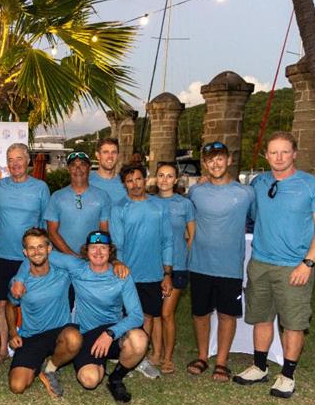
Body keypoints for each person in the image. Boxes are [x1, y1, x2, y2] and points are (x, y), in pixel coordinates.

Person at [233, 131, 315, 398]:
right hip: (260, 263)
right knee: (261, 318)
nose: (279, 157)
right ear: (266, 155)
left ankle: (287, 375)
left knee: (293, 323)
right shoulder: (259, 182)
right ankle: (259, 366)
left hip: (295, 266)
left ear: (294, 153)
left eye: (284, 152)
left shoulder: (314, 187)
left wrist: (307, 263)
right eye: (273, 152)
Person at [12, 231, 147, 403]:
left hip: (113, 332)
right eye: (93, 248)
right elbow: (37, 255)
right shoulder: (76, 267)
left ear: (110, 251)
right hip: (87, 334)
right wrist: (19, 278)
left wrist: (111, 333)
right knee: (89, 381)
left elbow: (136, 316)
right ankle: (98, 364)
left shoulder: (121, 275)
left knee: (139, 339)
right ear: (86, 250)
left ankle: (116, 378)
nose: (98, 252)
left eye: (103, 248)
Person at [185, 143, 254, 382]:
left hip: (229, 266)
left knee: (227, 314)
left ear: (229, 160)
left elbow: (257, 221)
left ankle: (222, 362)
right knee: (200, 313)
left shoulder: (245, 194)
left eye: (220, 159)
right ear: (204, 164)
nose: (215, 164)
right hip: (199, 264)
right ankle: (203, 356)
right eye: (210, 160)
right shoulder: (196, 192)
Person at [109, 163, 172, 380]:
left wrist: (167, 273)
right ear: (124, 184)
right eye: (129, 181)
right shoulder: (119, 208)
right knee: (127, 316)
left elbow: (167, 241)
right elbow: (117, 244)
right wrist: (120, 270)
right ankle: (128, 355)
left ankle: (142, 358)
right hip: (127, 275)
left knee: (148, 316)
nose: (134, 184)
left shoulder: (159, 206)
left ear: (145, 180)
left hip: (154, 274)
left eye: (138, 179)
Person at [0, 143, 50, 360]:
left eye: (19, 159)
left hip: (31, 257)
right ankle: (3, 349)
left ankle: (34, 345)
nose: (15, 163)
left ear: (28, 161)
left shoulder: (41, 187)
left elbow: (45, 222)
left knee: (31, 300)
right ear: (7, 164)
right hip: (2, 254)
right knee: (2, 303)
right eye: (10, 159)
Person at [6, 228, 82, 398]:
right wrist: (12, 332)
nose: (37, 252)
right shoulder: (19, 282)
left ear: (49, 249)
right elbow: (10, 306)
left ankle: (50, 368)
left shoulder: (63, 273)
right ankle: (37, 365)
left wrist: (116, 263)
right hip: (31, 336)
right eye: (31, 248)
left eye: (41, 247)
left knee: (74, 338)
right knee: (17, 386)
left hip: (59, 332)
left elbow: (92, 263)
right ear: (25, 252)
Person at [151, 161, 195, 375]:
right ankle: (156, 353)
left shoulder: (184, 204)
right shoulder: (149, 202)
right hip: (152, 266)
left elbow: (191, 235)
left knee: (167, 313)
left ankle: (168, 358)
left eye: (169, 176)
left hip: (176, 265)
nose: (165, 180)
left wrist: (183, 257)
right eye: (161, 175)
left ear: (176, 180)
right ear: (155, 178)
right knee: (155, 313)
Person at [45, 150, 110, 257]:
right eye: (73, 165)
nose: (78, 168)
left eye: (83, 165)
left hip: (90, 260)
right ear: (68, 169)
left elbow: (104, 232)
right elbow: (52, 233)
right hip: (62, 260)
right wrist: (73, 256)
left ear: (89, 168)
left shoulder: (102, 196)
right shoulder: (56, 197)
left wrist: (96, 256)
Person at [89, 138, 128, 207]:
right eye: (105, 152)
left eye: (114, 152)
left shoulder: (127, 183)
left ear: (118, 156)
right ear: (98, 155)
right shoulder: (87, 183)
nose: (110, 156)